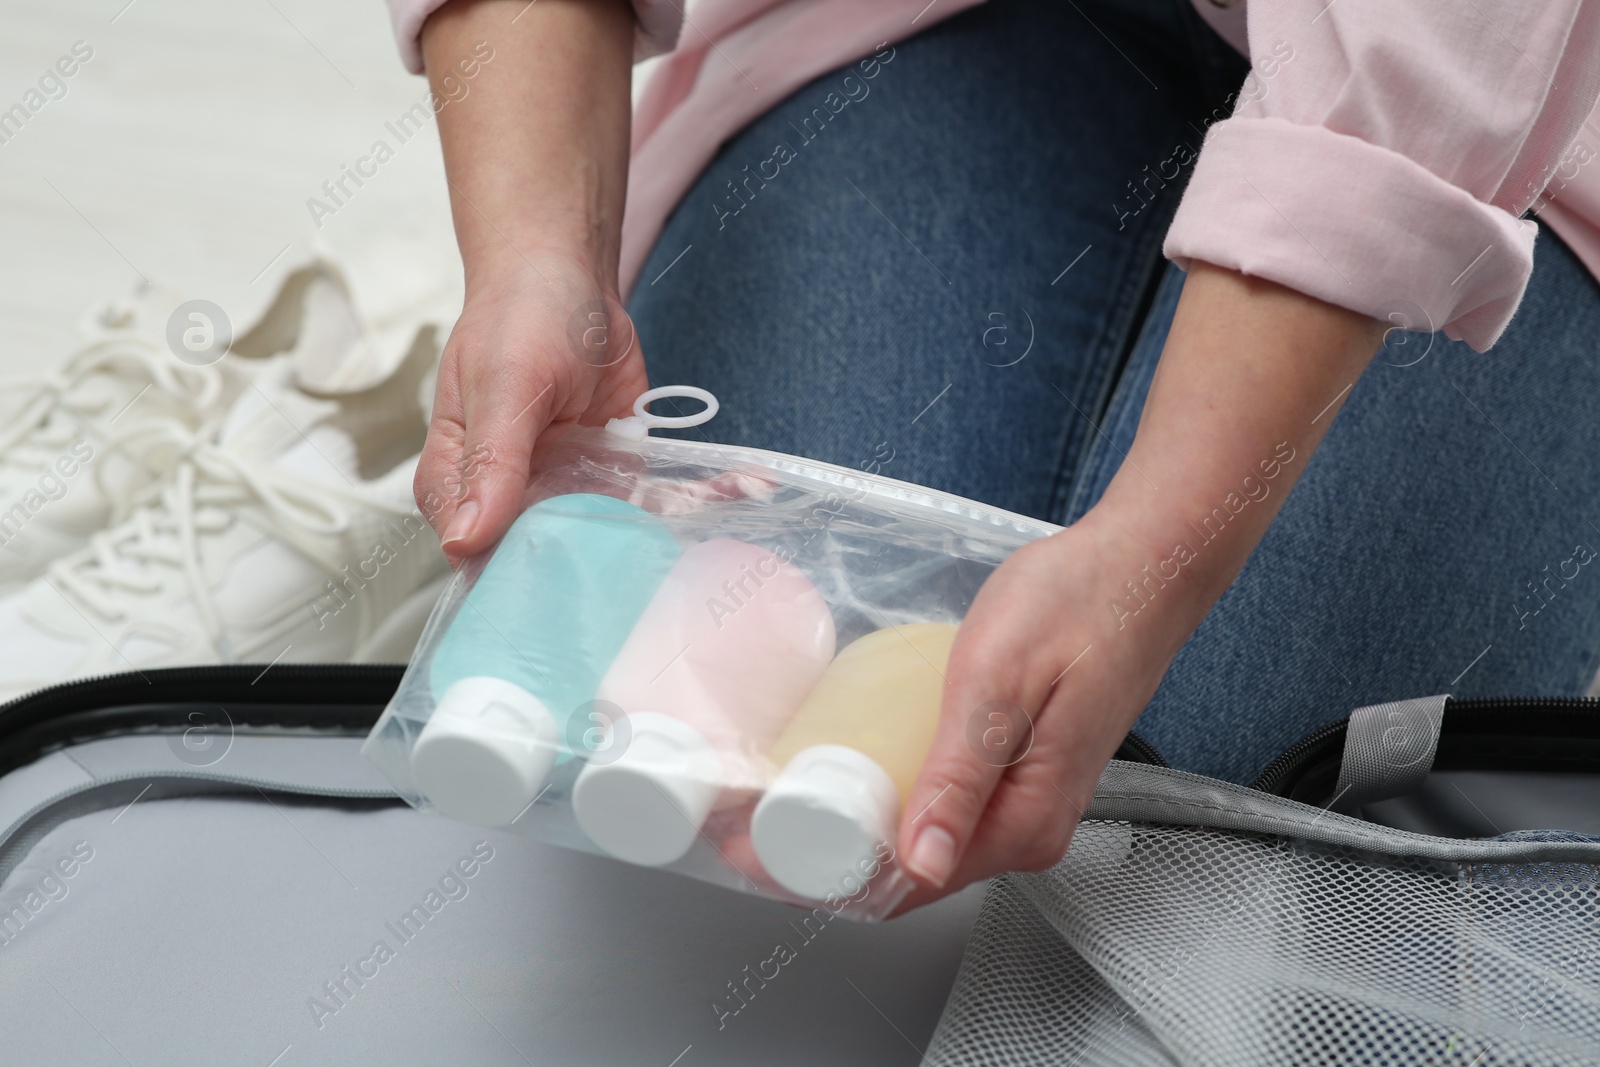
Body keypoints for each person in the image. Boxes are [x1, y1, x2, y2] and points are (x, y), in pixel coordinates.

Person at [390, 0, 1600, 911]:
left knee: (1202, 834)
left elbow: (1444, 45)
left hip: (1534, 131)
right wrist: (536, 256)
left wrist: (1157, 557)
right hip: (951, 26)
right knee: (724, 782)